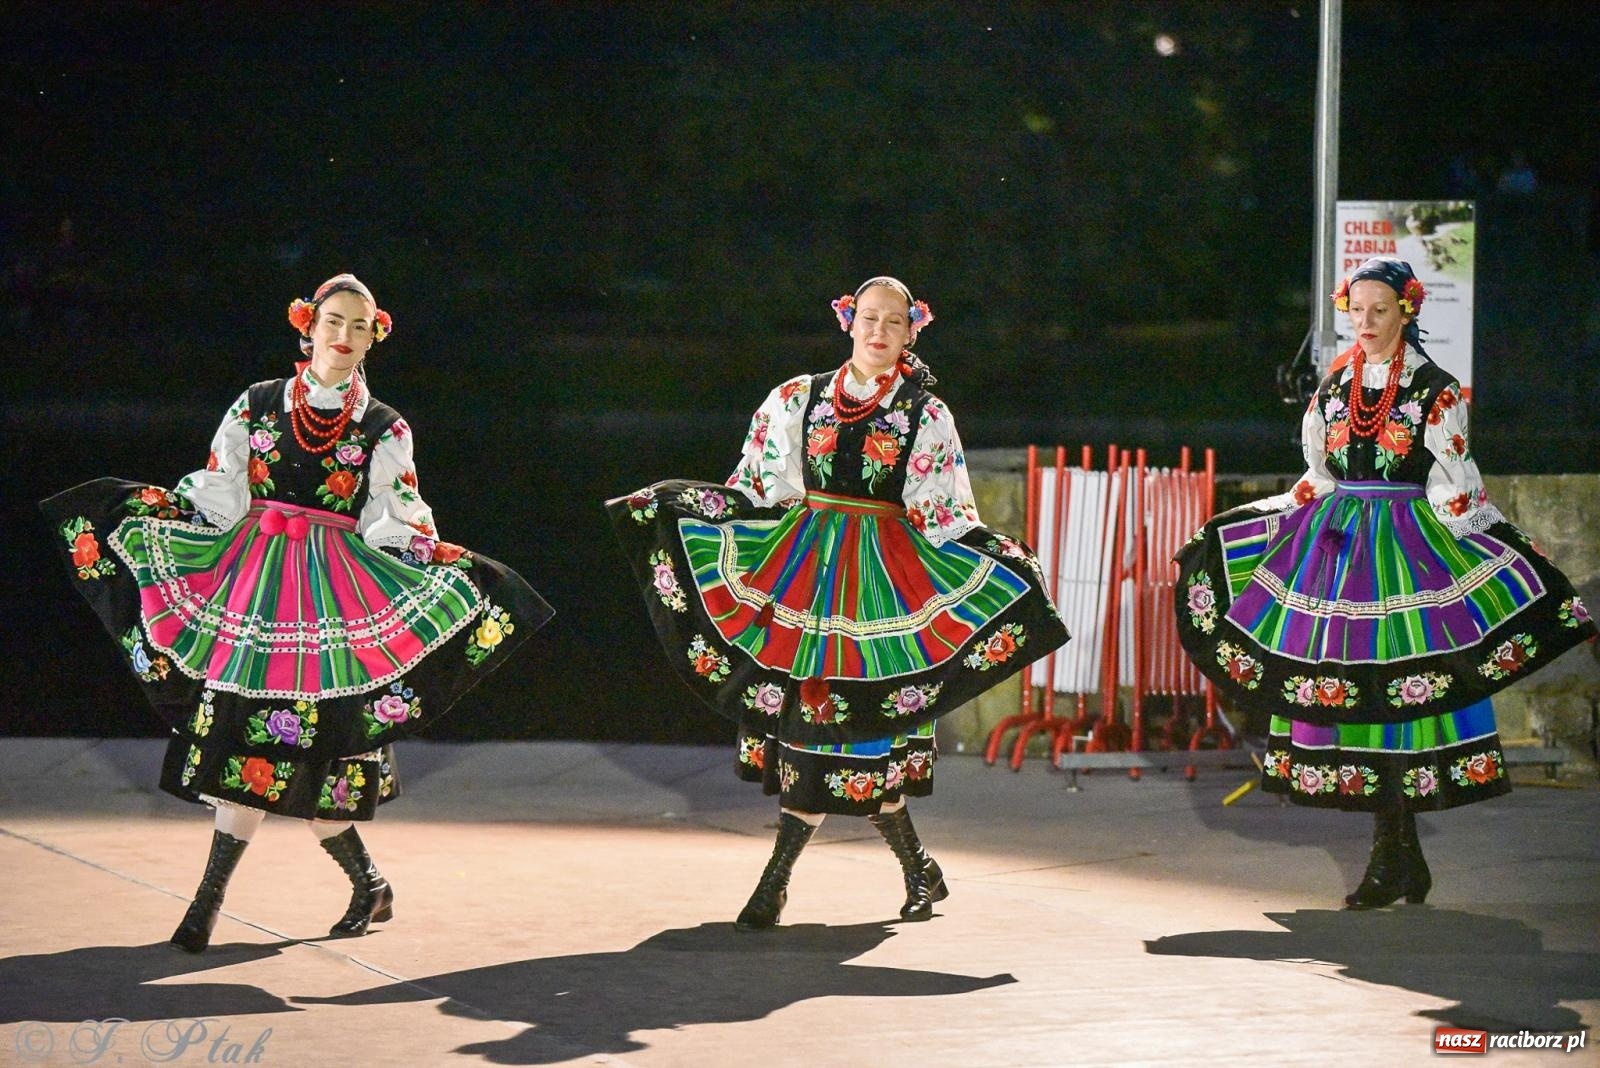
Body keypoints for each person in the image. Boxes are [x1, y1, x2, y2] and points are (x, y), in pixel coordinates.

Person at [42, 274, 552, 951]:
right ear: (307, 326)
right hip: (252, 587)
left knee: (321, 756)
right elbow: (221, 492)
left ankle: (362, 885)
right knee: (245, 739)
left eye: (360, 327)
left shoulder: (383, 425)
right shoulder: (256, 405)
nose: (345, 338)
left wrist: (430, 554)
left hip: (331, 597)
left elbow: (388, 518)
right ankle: (211, 903)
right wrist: (164, 514)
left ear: (375, 336)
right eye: (334, 322)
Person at [607, 276, 1069, 929]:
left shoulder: (924, 414)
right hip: (805, 566)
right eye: (869, 319)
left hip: (881, 577)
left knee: (859, 725)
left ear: (912, 332)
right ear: (848, 323)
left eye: (893, 322)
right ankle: (898, 872)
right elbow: (760, 484)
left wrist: (995, 554)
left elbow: (943, 511)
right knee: (819, 728)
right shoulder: (799, 397)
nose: (879, 331)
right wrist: (691, 506)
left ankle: (792, 883)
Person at [1174, 257, 1596, 909]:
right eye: (1358, 311)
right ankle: (1399, 859)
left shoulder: (1436, 390)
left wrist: (1512, 549)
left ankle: (1392, 860)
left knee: (1399, 703)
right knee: (1365, 706)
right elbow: (1317, 475)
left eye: (1380, 311)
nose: (1366, 323)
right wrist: (1253, 517)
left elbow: (1454, 490)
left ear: (1407, 311)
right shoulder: (1337, 385)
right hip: (1338, 546)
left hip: (1404, 550)